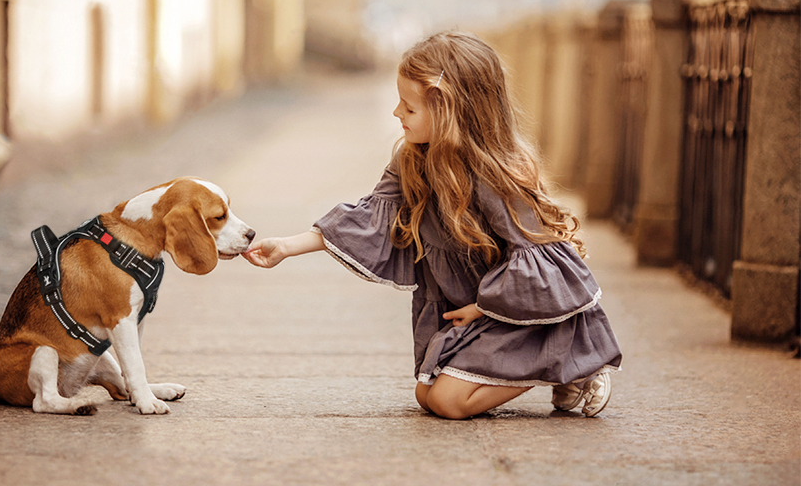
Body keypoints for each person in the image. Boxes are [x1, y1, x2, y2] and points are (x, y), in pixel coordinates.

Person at [242, 30, 622, 420]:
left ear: (447, 110)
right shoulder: (411, 159)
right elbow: (369, 216)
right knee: (426, 394)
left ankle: (571, 358)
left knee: (447, 401)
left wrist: (483, 308)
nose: (397, 114)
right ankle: (554, 363)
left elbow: (538, 266)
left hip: (514, 307)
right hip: (472, 307)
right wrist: (287, 247)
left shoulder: (495, 174)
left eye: (409, 108)